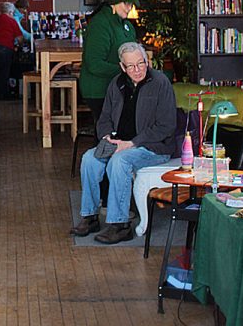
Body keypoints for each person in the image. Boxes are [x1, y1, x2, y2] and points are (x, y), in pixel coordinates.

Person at [71, 42, 176, 244]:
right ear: (122, 67)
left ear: (147, 61)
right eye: (131, 66)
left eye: (141, 64)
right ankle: (90, 216)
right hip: (118, 142)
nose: (137, 70)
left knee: (119, 161)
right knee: (89, 159)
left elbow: (166, 126)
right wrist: (106, 137)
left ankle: (120, 225)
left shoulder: (161, 82)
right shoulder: (116, 84)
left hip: (152, 147)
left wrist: (132, 143)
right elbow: (104, 119)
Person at [79, 0, 139, 125]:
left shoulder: (127, 26)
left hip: (120, 87)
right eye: (126, 4)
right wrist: (125, 70)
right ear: (115, 2)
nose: (129, 8)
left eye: (131, 4)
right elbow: (94, 64)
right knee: (111, 129)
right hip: (99, 89)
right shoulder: (100, 24)